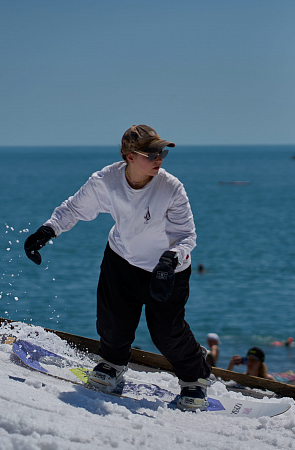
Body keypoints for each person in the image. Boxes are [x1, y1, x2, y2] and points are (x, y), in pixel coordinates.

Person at [23, 124, 211, 411]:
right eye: (151, 153)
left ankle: (195, 378)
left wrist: (169, 259)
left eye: (162, 152)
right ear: (129, 156)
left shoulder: (170, 187)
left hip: (167, 268)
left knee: (166, 331)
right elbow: (74, 208)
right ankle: (111, 364)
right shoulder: (106, 181)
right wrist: (47, 230)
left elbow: (186, 236)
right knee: (114, 321)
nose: (159, 158)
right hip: (122, 259)